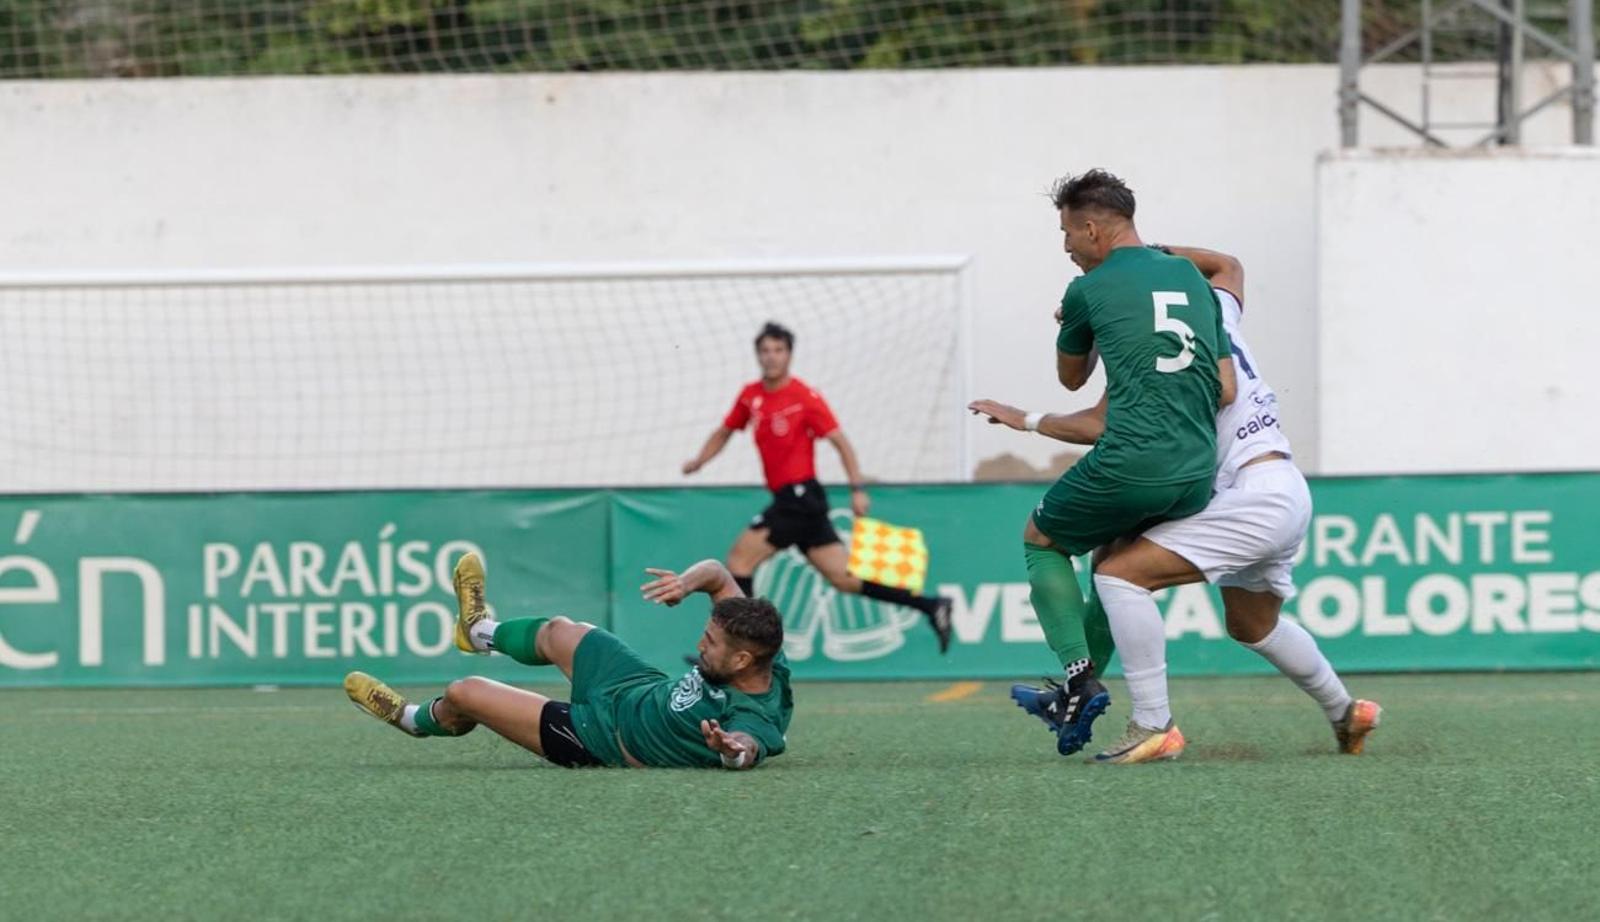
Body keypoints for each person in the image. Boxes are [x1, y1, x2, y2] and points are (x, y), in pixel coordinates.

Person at [970, 242, 1380, 763]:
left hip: (1247, 496)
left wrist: (1027, 417)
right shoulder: (1215, 312)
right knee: (1252, 625)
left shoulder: (1155, 350)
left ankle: (1152, 724)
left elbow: (1103, 421)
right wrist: (1151, 252)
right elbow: (1230, 265)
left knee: (1119, 576)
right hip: (1283, 485)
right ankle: (1345, 711)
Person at [998, 170, 1235, 757]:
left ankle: (1079, 675)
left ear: (1092, 227)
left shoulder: (1088, 289)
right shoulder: (1189, 277)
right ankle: (1076, 698)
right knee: (1112, 559)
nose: (1066, 247)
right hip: (1196, 471)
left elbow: (1071, 377)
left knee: (1041, 541)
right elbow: (1225, 387)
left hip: (1134, 460)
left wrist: (1078, 325)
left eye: (1067, 233)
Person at [344, 553, 791, 770]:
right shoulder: (761, 646)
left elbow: (746, 748)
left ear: (742, 660)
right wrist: (686, 584)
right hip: (637, 686)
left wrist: (731, 753)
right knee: (560, 630)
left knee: (466, 693)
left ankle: (411, 718)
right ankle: (478, 631)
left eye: (710, 643)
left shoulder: (753, 717)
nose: (701, 643)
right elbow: (717, 571)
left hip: (601, 737)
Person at [682, 321, 954, 652]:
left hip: (800, 496)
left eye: (778, 350)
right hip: (796, 501)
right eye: (765, 350)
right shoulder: (750, 396)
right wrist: (700, 460)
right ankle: (931, 606)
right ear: (758, 355)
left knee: (739, 561)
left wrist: (857, 488)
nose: (771, 357)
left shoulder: (804, 396)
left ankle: (739, 649)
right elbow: (725, 431)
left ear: (790, 354)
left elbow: (841, 442)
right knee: (843, 579)